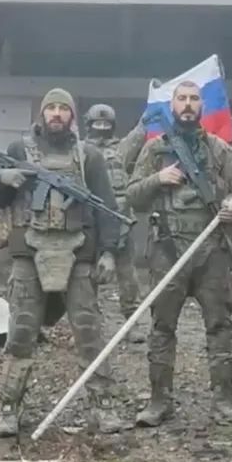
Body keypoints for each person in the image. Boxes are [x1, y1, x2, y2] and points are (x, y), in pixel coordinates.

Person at [0, 88, 127, 437]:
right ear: (42, 114)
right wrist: (1, 178)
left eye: (64, 108)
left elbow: (107, 208)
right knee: (21, 333)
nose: (57, 114)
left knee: (89, 332)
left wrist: (109, 252)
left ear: (72, 116)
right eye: (52, 108)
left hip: (79, 255)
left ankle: (104, 405)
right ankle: (9, 408)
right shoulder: (19, 151)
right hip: (29, 254)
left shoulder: (88, 156)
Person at [126, 81, 232, 427]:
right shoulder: (155, 150)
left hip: (212, 252)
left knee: (221, 326)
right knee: (162, 327)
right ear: (172, 106)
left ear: (202, 106)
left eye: (194, 99)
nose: (188, 104)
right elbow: (133, 196)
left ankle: (224, 401)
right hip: (168, 249)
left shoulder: (218, 149)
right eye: (182, 98)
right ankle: (159, 401)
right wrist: (157, 179)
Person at [82, 103, 147, 343]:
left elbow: (139, 133)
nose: (101, 128)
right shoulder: (80, 151)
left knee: (128, 278)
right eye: (97, 124)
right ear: (88, 125)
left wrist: (152, 110)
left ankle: (132, 324)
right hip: (89, 224)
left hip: (120, 222)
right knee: (86, 278)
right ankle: (91, 326)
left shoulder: (122, 149)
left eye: (106, 124)